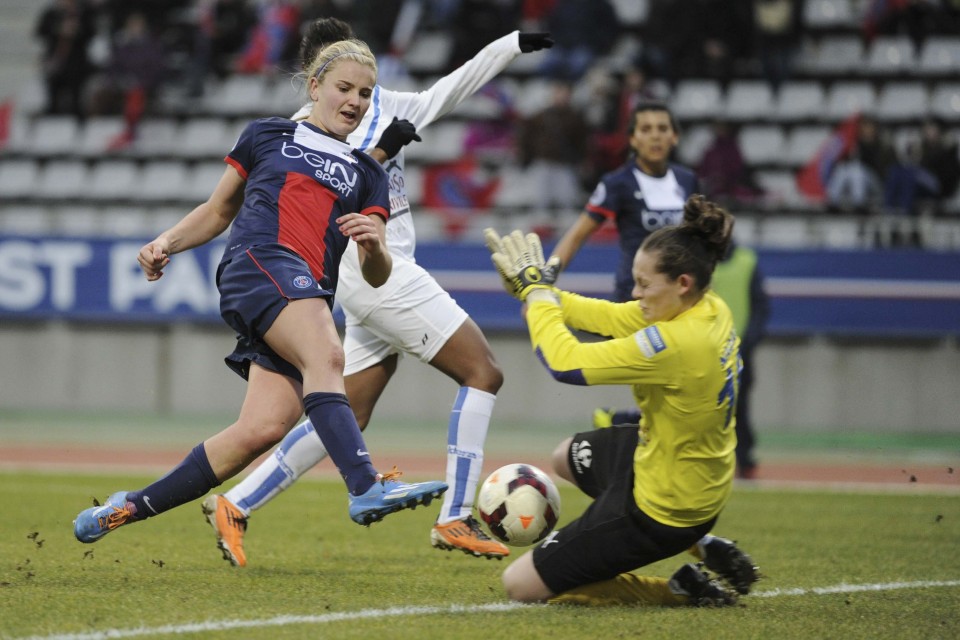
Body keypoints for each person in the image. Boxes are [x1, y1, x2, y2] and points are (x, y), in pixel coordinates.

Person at [200, 19, 556, 567]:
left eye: (358, 84)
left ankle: (238, 501)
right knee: (483, 372)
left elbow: (454, 85)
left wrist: (510, 43)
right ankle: (455, 514)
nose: (350, 95)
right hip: (370, 272)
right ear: (314, 77)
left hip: (382, 270)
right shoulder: (298, 132)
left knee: (349, 410)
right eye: (335, 80)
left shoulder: (389, 105)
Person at [72, 38, 448, 546]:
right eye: (343, 88)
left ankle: (126, 509)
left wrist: (376, 246)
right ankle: (364, 486)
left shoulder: (369, 174)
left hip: (305, 289)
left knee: (263, 430)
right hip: (259, 263)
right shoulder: (269, 135)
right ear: (315, 87)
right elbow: (219, 210)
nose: (355, 101)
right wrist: (166, 242)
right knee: (328, 355)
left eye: (365, 92)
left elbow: (376, 273)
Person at [483, 195, 759, 606]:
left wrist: (539, 296)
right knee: (564, 457)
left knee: (520, 586)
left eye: (644, 284)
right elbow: (611, 317)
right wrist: (537, 294)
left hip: (664, 508)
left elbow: (566, 364)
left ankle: (681, 591)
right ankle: (704, 544)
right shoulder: (706, 308)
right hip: (674, 468)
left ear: (681, 283)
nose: (635, 292)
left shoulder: (677, 342)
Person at [550, 101, 700, 303]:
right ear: (632, 139)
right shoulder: (617, 183)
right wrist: (542, 285)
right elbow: (577, 235)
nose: (655, 136)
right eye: (646, 129)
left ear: (674, 137)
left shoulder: (687, 180)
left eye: (662, 128)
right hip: (633, 301)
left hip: (679, 303)